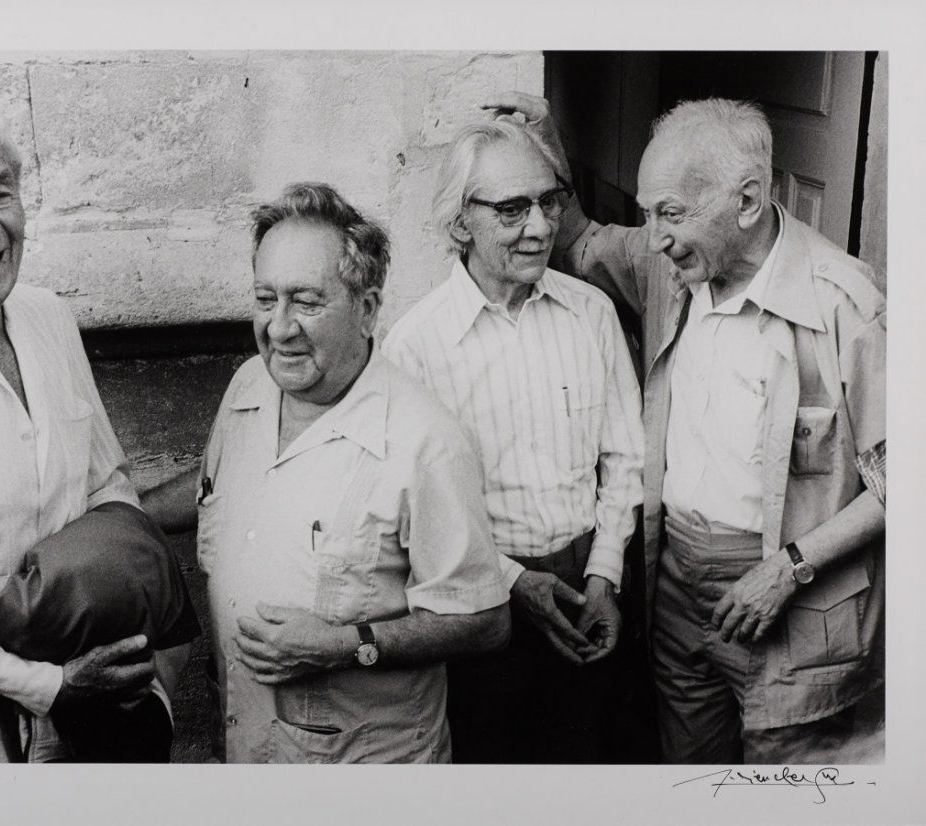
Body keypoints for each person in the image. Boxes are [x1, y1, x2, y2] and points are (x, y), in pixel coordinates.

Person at [488, 92, 886, 763]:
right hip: (675, 583)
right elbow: (580, 242)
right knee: (690, 777)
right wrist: (549, 145)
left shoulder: (846, 302)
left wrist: (789, 569)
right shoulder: (668, 263)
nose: (656, 234)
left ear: (749, 202)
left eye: (671, 213)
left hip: (793, 597)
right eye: (649, 213)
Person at [142, 182, 511, 763]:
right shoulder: (247, 387)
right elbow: (217, 490)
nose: (280, 327)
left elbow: (484, 621)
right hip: (247, 746)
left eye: (306, 302)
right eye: (266, 300)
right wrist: (117, 513)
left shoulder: (425, 443)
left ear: (366, 310)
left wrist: (345, 646)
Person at [0, 87, 191, 762]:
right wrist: (48, 687)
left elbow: (109, 487)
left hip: (102, 704)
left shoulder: (49, 318)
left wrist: (146, 682)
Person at [382, 120, 644, 763]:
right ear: (459, 223)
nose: (540, 225)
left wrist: (605, 576)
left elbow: (624, 457)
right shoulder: (414, 347)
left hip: (589, 588)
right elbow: (416, 513)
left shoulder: (592, 314)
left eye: (549, 200)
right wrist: (513, 582)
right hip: (477, 605)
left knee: (589, 767)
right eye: (511, 208)